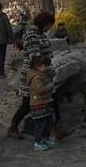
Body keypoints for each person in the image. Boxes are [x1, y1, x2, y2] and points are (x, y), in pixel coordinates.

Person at [8, 11, 66, 139]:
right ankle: (13, 127)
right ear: (43, 23)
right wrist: (50, 69)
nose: (49, 28)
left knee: (53, 100)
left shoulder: (41, 34)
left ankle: (58, 128)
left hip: (44, 74)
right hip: (33, 75)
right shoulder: (31, 36)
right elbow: (35, 58)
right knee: (27, 104)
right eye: (49, 25)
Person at [28, 55, 57, 151]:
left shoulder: (40, 74)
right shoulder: (36, 77)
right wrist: (51, 86)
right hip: (38, 104)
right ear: (38, 65)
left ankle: (45, 138)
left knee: (48, 121)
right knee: (40, 124)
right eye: (45, 66)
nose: (46, 68)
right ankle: (38, 142)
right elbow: (40, 90)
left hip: (45, 102)